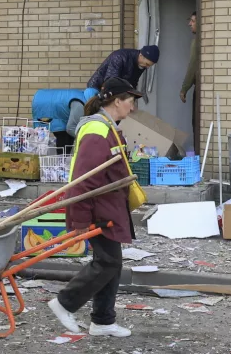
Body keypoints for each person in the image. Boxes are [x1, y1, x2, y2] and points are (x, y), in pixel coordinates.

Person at [48, 77, 141, 339]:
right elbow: (83, 178)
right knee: (108, 262)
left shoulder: (107, 127)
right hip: (99, 208)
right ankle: (65, 302)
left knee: (112, 263)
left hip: (109, 206)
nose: (131, 108)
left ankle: (103, 321)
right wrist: (79, 219)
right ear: (117, 100)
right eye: (130, 102)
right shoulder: (97, 130)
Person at [87, 45, 159, 93]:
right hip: (97, 87)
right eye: (147, 64)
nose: (147, 67)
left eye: (149, 65)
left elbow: (132, 83)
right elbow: (111, 81)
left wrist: (132, 98)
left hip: (113, 90)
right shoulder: (120, 57)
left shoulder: (141, 64)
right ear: (141, 55)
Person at [180, 12, 198, 104]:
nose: (189, 24)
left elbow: (192, 66)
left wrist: (184, 88)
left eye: (193, 21)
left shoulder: (197, 42)